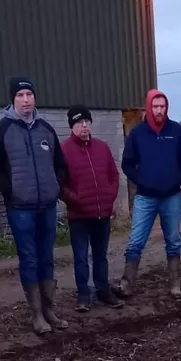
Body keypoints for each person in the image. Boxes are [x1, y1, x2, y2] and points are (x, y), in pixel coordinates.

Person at [0, 75, 69, 334]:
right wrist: (10, 190)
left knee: (47, 258)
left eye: (29, 95)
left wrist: (56, 186)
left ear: (35, 98)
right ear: (13, 100)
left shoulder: (46, 129)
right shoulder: (3, 130)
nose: (25, 100)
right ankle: (36, 315)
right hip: (20, 209)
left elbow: (61, 165)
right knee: (29, 259)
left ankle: (49, 309)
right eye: (20, 96)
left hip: (47, 206)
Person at [119, 89, 181, 300]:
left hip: (171, 196)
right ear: (149, 107)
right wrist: (142, 180)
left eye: (162, 106)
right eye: (155, 106)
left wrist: (176, 179)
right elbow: (127, 163)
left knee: (173, 240)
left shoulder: (175, 130)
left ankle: (175, 284)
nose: (159, 110)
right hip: (145, 197)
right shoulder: (138, 133)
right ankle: (126, 283)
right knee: (136, 241)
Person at [60, 106, 122, 312]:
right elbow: (59, 183)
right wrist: (75, 200)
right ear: (72, 126)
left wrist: (109, 197)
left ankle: (103, 291)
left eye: (86, 121)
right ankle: (83, 295)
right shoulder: (63, 150)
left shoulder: (102, 147)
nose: (84, 126)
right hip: (79, 216)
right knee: (80, 257)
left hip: (101, 214)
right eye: (79, 122)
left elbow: (113, 175)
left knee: (101, 256)